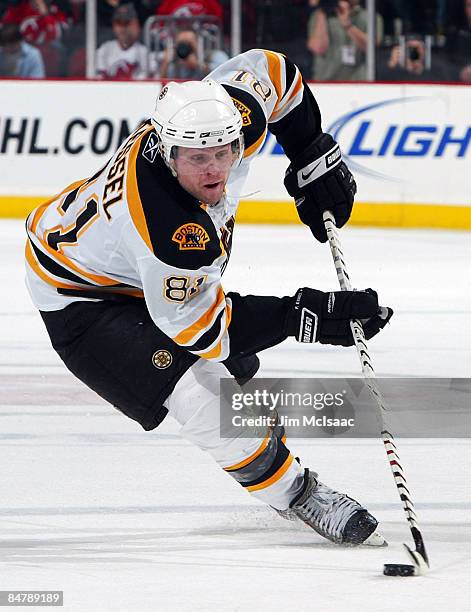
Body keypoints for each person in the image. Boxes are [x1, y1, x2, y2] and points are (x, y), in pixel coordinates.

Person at [25, 49, 393, 547]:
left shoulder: (231, 120)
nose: (217, 170)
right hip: (80, 299)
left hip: (125, 266)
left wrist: (311, 151)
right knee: (204, 398)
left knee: (228, 365)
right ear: (166, 150)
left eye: (226, 152)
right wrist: (307, 314)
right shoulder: (169, 227)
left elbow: (275, 72)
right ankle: (299, 493)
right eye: (199, 159)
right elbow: (202, 330)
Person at [307, 0, 382, 81]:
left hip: (359, 83)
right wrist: (323, 8)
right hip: (326, 82)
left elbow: (372, 48)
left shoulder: (370, 17)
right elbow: (317, 48)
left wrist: (348, 26)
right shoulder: (320, 16)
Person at [96, 3, 156, 79]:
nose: (123, 29)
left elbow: (155, 81)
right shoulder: (104, 50)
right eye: (119, 24)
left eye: (126, 24)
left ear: (135, 24)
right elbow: (99, 80)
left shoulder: (144, 52)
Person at [158, 27, 228, 78]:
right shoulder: (175, 65)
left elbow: (225, 74)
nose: (185, 47)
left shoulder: (215, 56)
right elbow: (162, 86)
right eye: (182, 43)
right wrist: (165, 63)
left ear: (198, 42)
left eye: (189, 43)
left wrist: (199, 65)